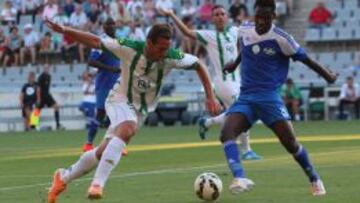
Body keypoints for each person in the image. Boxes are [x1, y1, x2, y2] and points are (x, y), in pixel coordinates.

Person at [45, 20, 221, 203]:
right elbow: (96, 41)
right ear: (149, 43)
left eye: (167, 48)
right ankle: (97, 184)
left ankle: (63, 178)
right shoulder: (129, 47)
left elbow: (198, 64)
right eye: (161, 48)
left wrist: (210, 95)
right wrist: (65, 30)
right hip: (119, 99)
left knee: (102, 152)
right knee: (128, 128)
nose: (164, 53)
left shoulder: (171, 56)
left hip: (141, 110)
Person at [221, 0, 337, 196]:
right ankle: (240, 177)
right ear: (254, 15)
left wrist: (328, 76)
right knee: (226, 134)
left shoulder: (282, 38)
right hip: (247, 97)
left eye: (265, 18)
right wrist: (234, 63)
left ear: (273, 17)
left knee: (290, 143)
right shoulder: (244, 29)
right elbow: (244, 47)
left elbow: (307, 60)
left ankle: (314, 178)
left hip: (269, 98)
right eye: (258, 17)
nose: (260, 22)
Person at [161, 5, 261, 160]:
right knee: (243, 111)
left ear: (227, 17)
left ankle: (207, 123)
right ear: (212, 19)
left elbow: (253, 28)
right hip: (224, 83)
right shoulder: (208, 35)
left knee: (236, 113)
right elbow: (187, 32)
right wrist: (172, 14)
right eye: (216, 15)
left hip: (238, 81)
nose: (220, 16)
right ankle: (247, 150)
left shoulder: (235, 31)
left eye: (222, 14)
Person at [82, 17, 122, 152]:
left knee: (117, 113)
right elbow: (91, 61)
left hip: (116, 82)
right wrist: (110, 69)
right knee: (100, 112)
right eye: (108, 24)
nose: (111, 26)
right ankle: (88, 143)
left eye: (113, 24)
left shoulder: (118, 40)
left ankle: (116, 145)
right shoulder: (100, 41)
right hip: (104, 83)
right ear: (104, 27)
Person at [36, 64, 63, 130]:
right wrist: (39, 98)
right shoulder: (41, 77)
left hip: (47, 95)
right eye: (45, 68)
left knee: (56, 106)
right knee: (37, 110)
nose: (46, 69)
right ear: (43, 68)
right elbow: (38, 88)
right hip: (42, 96)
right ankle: (33, 125)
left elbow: (47, 88)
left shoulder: (49, 76)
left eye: (47, 68)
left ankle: (57, 125)